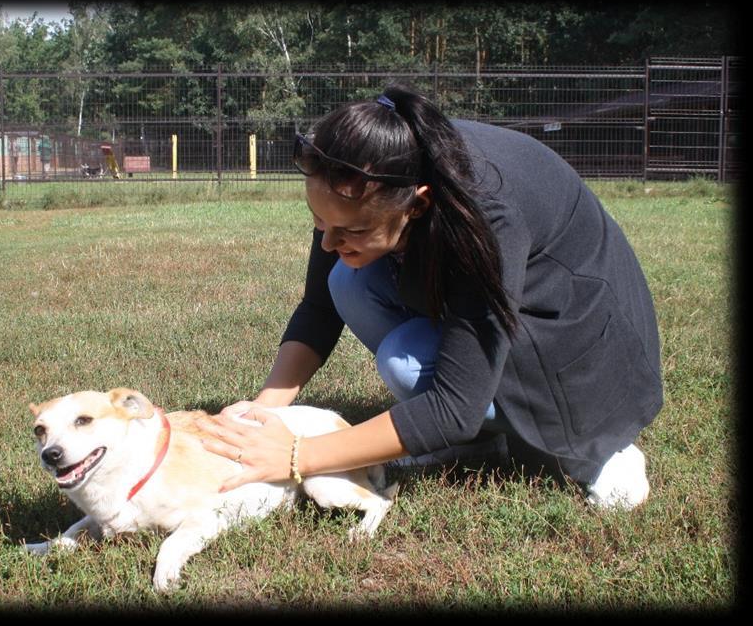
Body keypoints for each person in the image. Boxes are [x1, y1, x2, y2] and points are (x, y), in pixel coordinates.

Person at [198, 83, 663, 510]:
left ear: (418, 204)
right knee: (346, 280)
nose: (326, 242)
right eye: (320, 221)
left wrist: (299, 455)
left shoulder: (486, 213)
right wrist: (262, 412)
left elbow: (452, 408)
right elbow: (320, 306)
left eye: (351, 228)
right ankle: (485, 435)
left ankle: (600, 449)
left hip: (579, 342)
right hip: (507, 305)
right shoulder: (368, 172)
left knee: (407, 362)